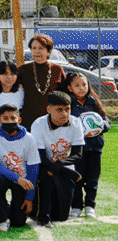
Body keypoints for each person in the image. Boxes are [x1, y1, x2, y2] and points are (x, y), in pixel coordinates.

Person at [30, 91, 84, 226]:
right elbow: (40, 157)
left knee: (61, 216)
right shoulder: (38, 124)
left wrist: (60, 166)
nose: (64, 114)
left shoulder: (76, 123)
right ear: (49, 109)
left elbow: (78, 154)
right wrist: (68, 172)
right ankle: (43, 216)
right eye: (59, 110)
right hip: (44, 167)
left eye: (67, 109)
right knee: (46, 178)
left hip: (62, 166)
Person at [61, 72, 109, 218]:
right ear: (69, 87)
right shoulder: (68, 104)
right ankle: (76, 206)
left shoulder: (93, 101)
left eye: (84, 85)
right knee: (77, 177)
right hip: (77, 148)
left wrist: (101, 126)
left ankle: (90, 206)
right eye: (77, 85)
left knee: (92, 178)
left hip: (95, 146)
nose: (81, 88)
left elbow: (106, 121)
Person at [0, 104, 39, 232]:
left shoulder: (29, 138)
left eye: (13, 118)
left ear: (19, 120)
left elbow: (33, 168)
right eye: (5, 118)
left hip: (23, 181)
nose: (9, 121)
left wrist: (29, 198)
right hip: (5, 178)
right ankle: (2, 219)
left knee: (18, 222)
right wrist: (17, 178)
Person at [16, 34, 65, 130]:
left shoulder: (57, 70)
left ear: (48, 51)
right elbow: (7, 83)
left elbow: (66, 93)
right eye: (34, 48)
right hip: (28, 118)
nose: (37, 51)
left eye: (41, 48)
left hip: (51, 119)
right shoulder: (23, 69)